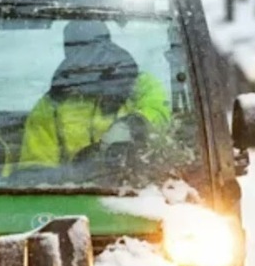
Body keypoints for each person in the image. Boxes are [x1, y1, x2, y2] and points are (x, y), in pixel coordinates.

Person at [18, 20, 171, 168]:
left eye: (97, 49)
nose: (90, 58)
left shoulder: (136, 84)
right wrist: (75, 173)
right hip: (76, 184)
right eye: (80, 50)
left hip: (139, 180)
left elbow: (161, 114)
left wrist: (133, 126)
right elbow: (35, 168)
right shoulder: (51, 105)